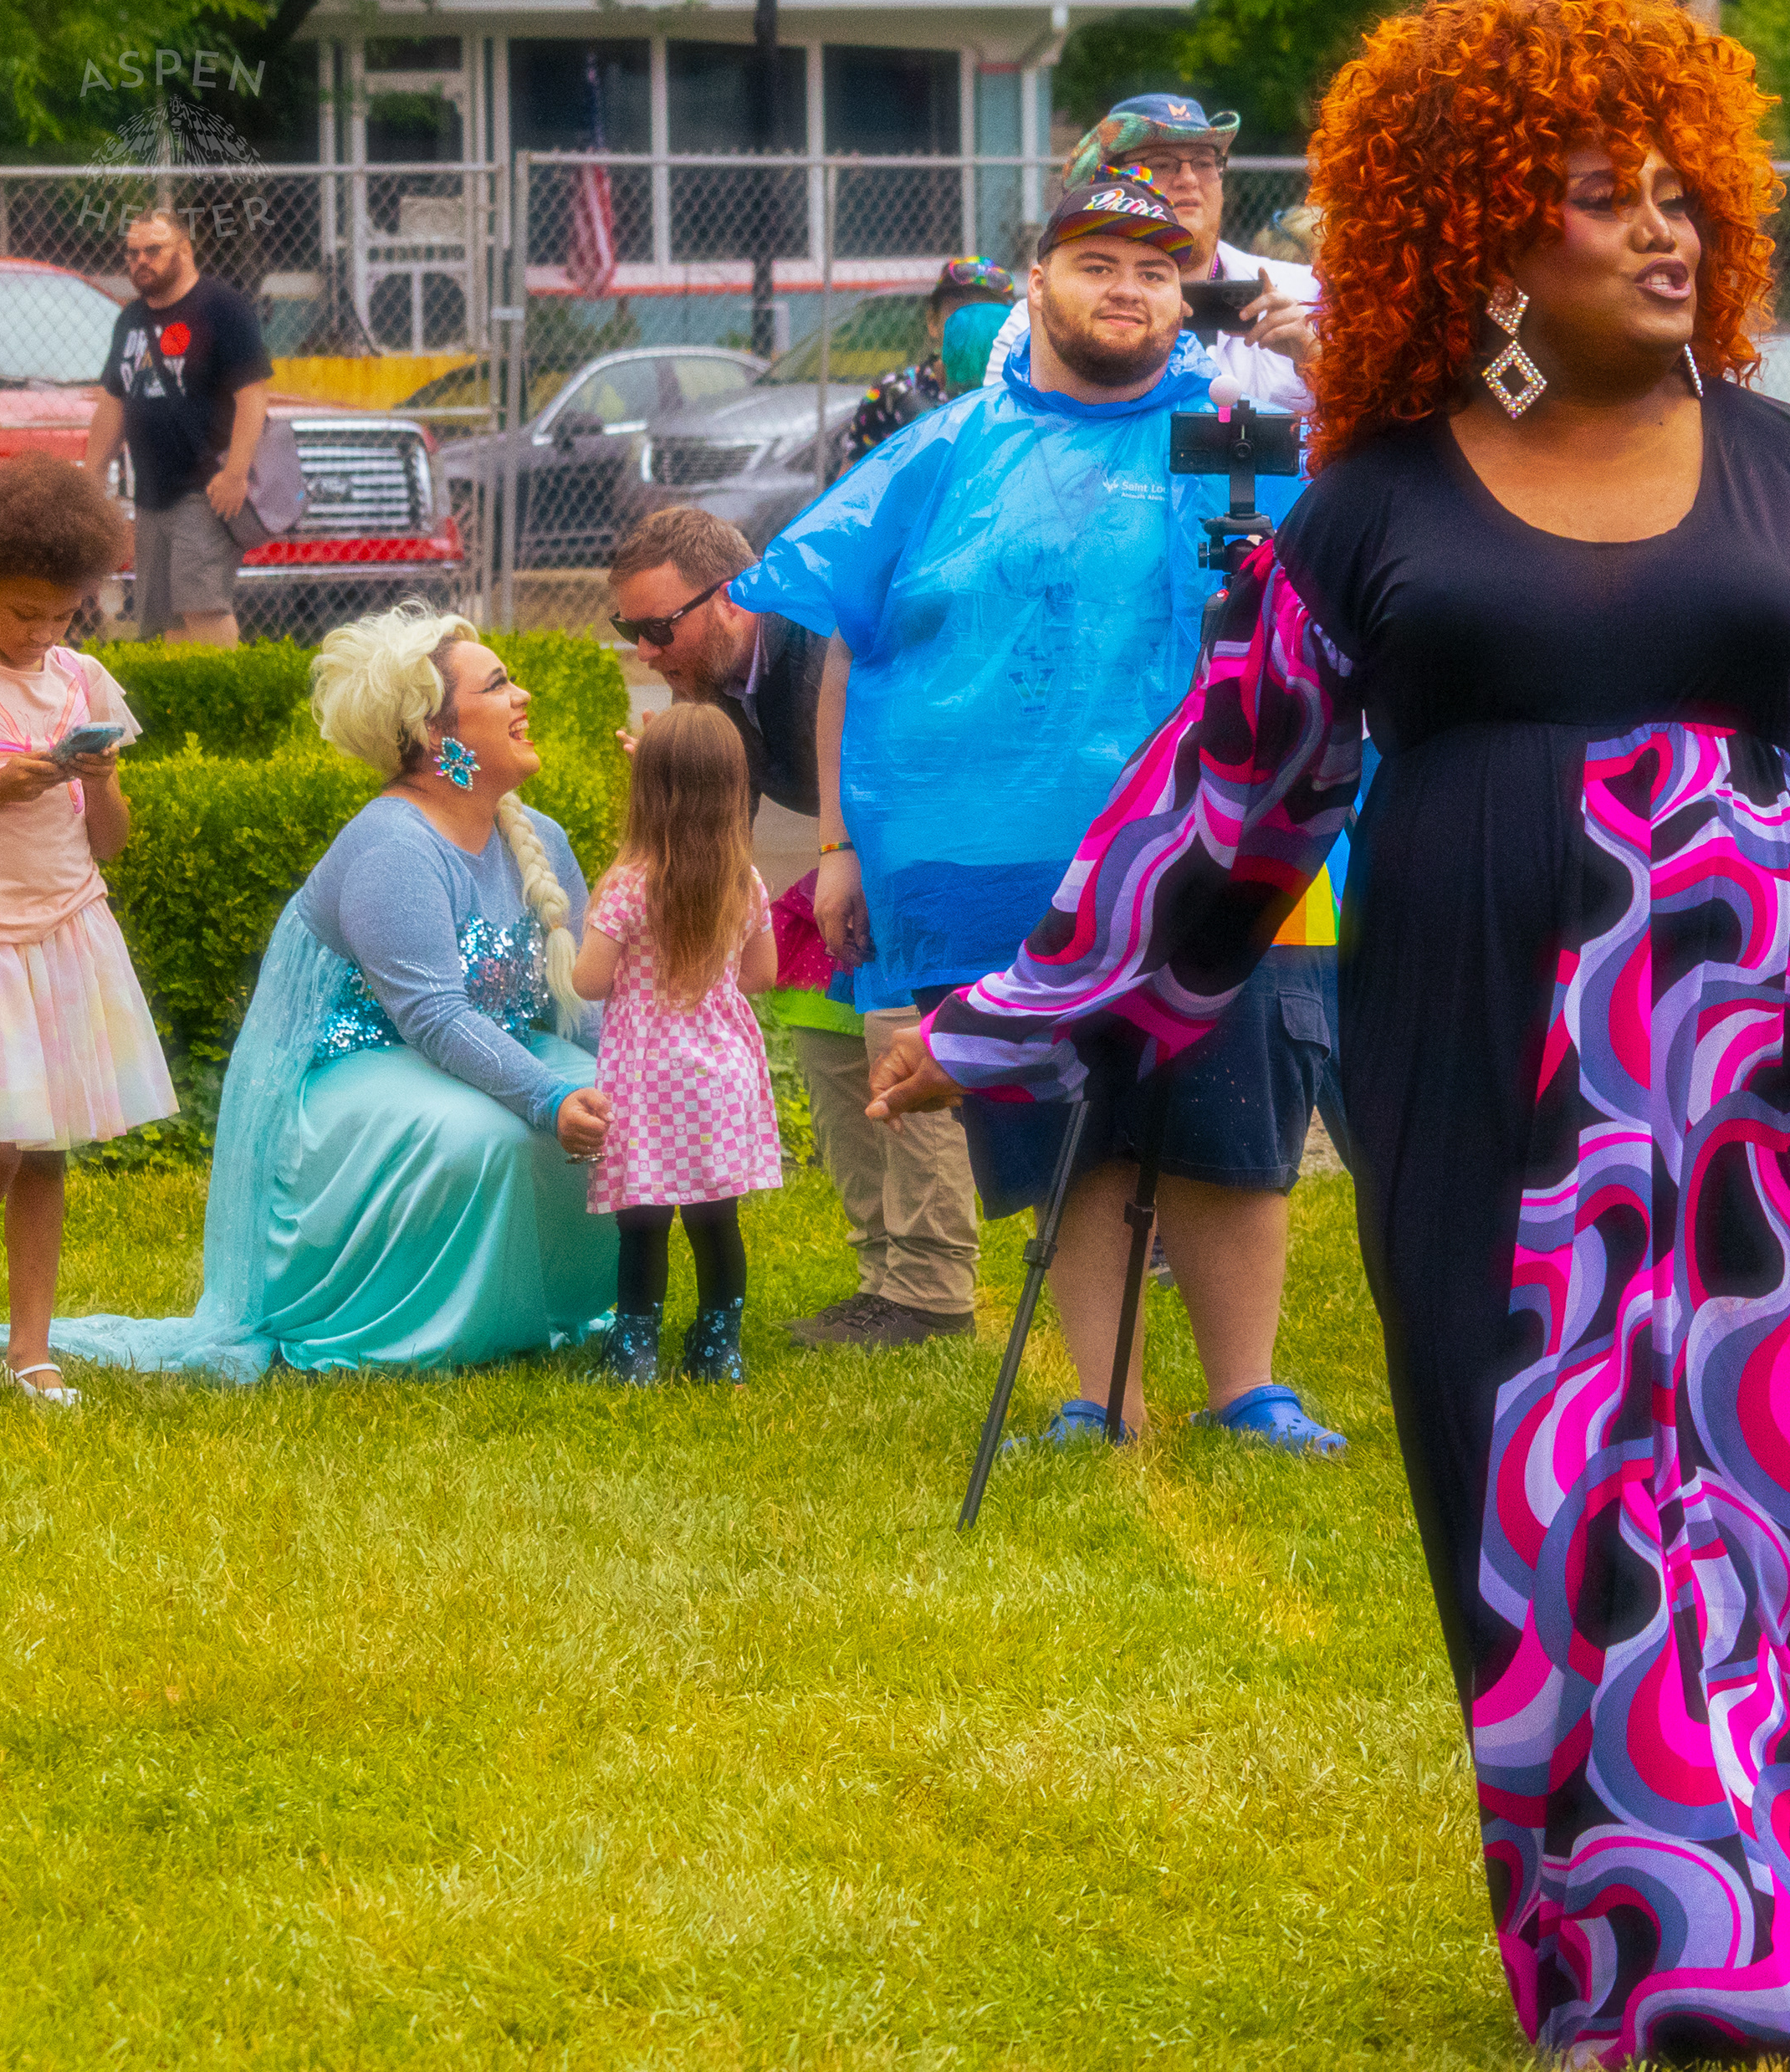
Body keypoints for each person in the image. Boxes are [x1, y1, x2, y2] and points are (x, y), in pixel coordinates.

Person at [868, 0, 1790, 2059]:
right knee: (1554, 1492)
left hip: (1757, 1076)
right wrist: (1013, 1007)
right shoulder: (1376, 504)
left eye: (1678, 191)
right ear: (1485, 233)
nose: (1663, 227)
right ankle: (1643, 1939)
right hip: (1482, 1060)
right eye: (1603, 198)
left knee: (1766, 1466)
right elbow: (1228, 802)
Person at [739, 169, 1348, 1454]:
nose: (1127, 289)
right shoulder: (942, 451)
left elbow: (1373, 560)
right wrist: (844, 845)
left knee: (1232, 1119)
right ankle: (1102, 1396)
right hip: (1004, 864)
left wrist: (1337, 385)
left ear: (1188, 296)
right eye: (1096, 264)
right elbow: (851, 633)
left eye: (1156, 269)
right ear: (1038, 285)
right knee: (1066, 1126)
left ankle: (1247, 1387)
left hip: (1215, 850)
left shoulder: (1238, 435)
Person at [28, 606, 616, 1379]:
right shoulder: (393, 844)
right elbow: (435, 1018)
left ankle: (562, 1305)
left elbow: (570, 1001)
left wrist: (630, 1074)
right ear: (438, 739)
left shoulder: (541, 837)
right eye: (499, 685)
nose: (523, 697)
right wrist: (547, 1099)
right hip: (358, 1076)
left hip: (474, 1054)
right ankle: (425, 1326)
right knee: (488, 1138)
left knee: (617, 1104)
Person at [606, 507, 978, 1349]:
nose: (647, 652)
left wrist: (847, 858)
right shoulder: (714, 684)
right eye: (631, 630)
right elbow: (716, 840)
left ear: (733, 599)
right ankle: (882, 1276)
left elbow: (905, 758)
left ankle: (931, 1288)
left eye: (660, 628)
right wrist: (676, 789)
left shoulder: (820, 641)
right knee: (821, 1026)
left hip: (919, 849)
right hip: (848, 859)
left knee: (895, 1036)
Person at [0, 455, 175, 1405]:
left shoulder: (81, 682)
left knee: (44, 1145)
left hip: (63, 928)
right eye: (22, 611)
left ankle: (31, 1345)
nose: (41, 631)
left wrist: (98, 784)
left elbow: (111, 842)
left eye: (60, 614)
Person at [567, 707, 782, 1386]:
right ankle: (719, 1350)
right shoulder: (743, 884)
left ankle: (634, 1353)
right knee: (717, 1219)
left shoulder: (630, 885)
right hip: (720, 1074)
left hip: (646, 1076)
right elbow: (763, 975)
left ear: (645, 794)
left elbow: (591, 981)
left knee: (644, 1222)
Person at [984, 93, 1318, 412]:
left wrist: (1316, 360)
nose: (1189, 178)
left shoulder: (1305, 293)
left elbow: (1356, 446)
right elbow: (1000, 437)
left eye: (1205, 162)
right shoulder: (1042, 318)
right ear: (1107, 182)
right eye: (1162, 162)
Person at [82, 206, 272, 646]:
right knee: (165, 623)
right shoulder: (130, 319)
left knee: (203, 609)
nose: (140, 261)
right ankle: (178, 709)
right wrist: (92, 476)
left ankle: (226, 707)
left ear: (183, 250)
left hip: (204, 490)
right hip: (151, 495)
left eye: (153, 250)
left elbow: (253, 396)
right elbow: (113, 403)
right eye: (132, 254)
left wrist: (235, 474)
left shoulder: (221, 307)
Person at [836, 258, 1018, 473]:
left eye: (987, 312)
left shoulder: (1022, 393)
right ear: (933, 321)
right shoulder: (892, 397)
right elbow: (847, 493)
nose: (972, 323)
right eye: (960, 310)